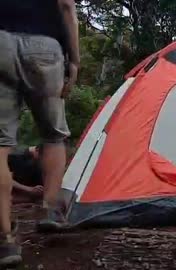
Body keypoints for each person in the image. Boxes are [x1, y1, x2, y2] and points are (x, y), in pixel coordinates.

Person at [0, 0, 79, 265]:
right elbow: (66, 5)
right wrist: (75, 60)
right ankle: (51, 210)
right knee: (54, 134)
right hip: (43, 45)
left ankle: (6, 240)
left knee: (0, 144)